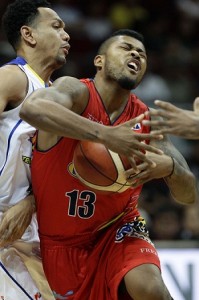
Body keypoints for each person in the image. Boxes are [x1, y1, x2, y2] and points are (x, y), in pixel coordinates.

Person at [20, 29, 197, 300]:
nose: (136, 54)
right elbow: (32, 109)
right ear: (99, 61)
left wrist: (170, 169)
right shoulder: (75, 91)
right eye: (126, 47)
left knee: (151, 289)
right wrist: (104, 134)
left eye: (142, 54)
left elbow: (189, 194)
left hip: (119, 228)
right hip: (61, 244)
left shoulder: (144, 119)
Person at [0, 0, 70, 298]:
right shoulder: (13, 77)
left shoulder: (54, 94)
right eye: (56, 27)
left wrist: (31, 201)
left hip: (28, 228)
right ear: (28, 35)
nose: (66, 35)